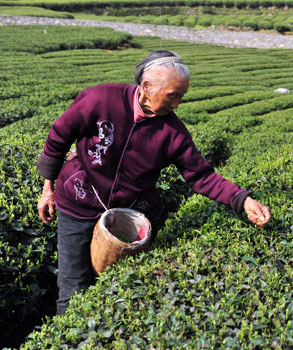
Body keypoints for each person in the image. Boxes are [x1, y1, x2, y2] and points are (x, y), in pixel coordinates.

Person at [36, 50, 271, 315]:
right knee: (72, 287)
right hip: (77, 203)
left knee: (117, 289)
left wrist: (243, 200)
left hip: (128, 214)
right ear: (146, 87)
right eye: (174, 95)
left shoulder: (173, 133)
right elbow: (58, 137)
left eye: (181, 96)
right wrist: (48, 189)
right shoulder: (99, 99)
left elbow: (202, 176)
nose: (178, 104)